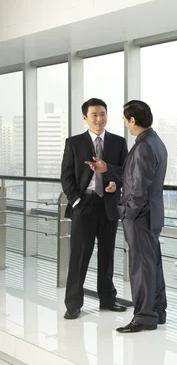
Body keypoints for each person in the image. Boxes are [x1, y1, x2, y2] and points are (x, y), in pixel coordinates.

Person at [87, 100, 168, 333]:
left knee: (140, 268)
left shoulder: (143, 146)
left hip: (140, 216)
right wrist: (108, 169)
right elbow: (134, 174)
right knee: (152, 265)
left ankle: (143, 317)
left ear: (133, 120)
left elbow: (139, 188)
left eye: (125, 120)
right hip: (152, 214)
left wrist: (126, 212)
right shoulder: (154, 142)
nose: (125, 125)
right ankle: (157, 311)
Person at [60, 98, 128, 320]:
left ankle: (108, 300)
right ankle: (73, 304)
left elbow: (125, 172)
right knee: (79, 256)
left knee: (107, 255)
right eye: (94, 115)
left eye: (102, 114)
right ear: (85, 117)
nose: (99, 119)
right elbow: (67, 176)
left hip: (108, 204)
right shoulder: (74, 143)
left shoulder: (118, 142)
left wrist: (115, 183)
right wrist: (76, 201)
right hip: (85, 204)